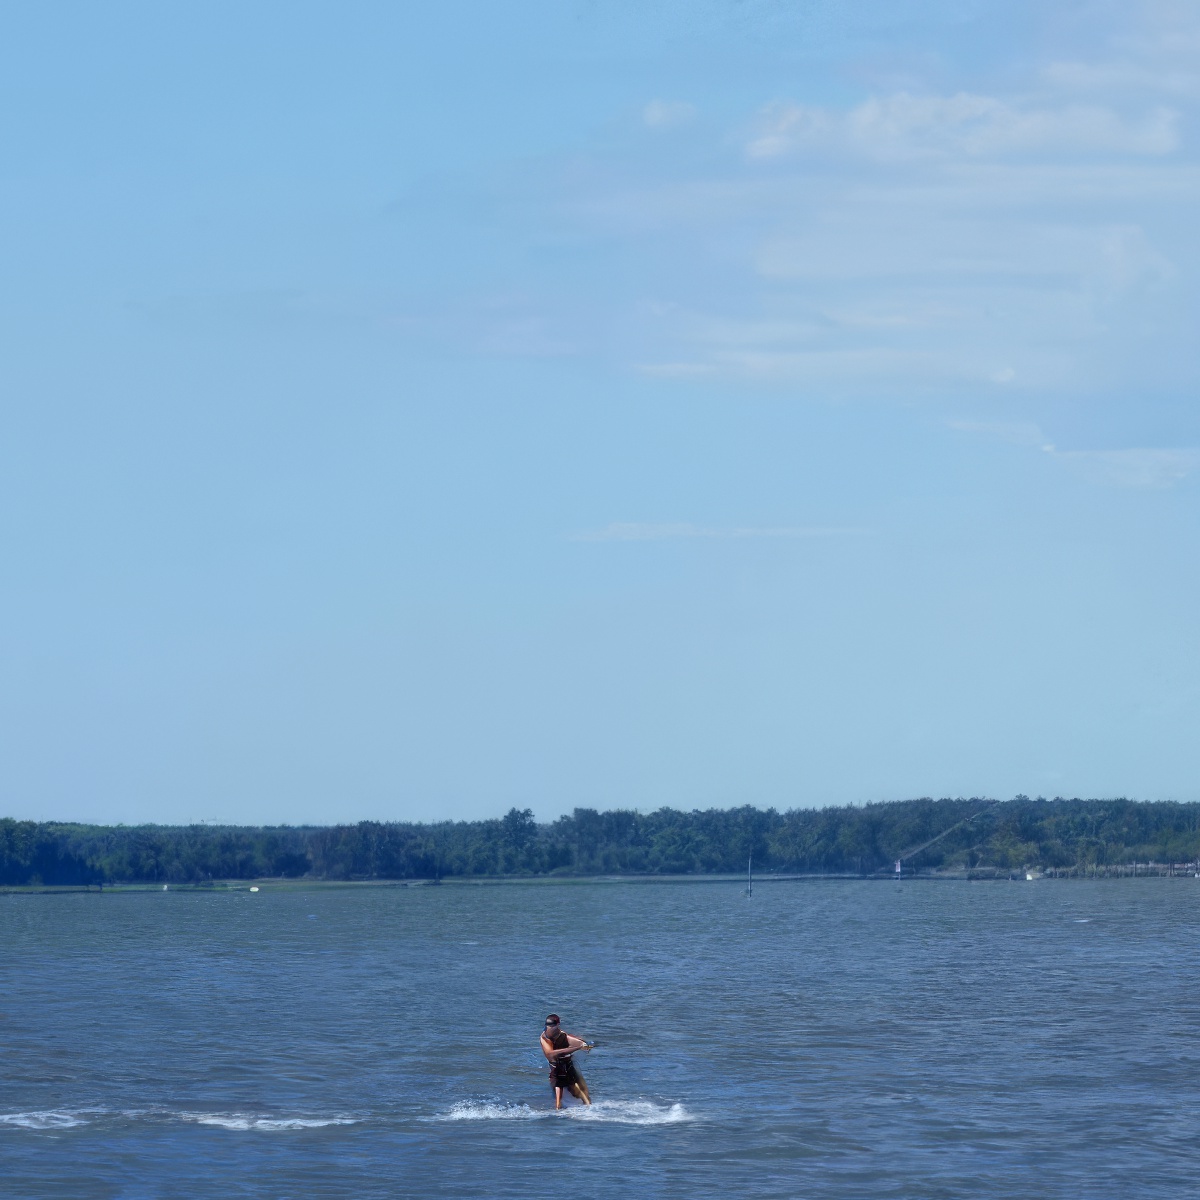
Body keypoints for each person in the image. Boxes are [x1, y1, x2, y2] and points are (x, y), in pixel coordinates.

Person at [539, 1013, 592, 1109]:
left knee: (580, 1091)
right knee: (559, 1092)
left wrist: (583, 1045)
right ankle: (558, 1110)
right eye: (548, 1026)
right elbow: (550, 1054)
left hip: (567, 1065)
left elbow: (571, 1040)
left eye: (552, 1026)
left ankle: (588, 1107)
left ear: (557, 1026)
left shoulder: (561, 1034)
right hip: (556, 1068)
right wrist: (576, 1048)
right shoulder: (544, 1038)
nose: (549, 1029)